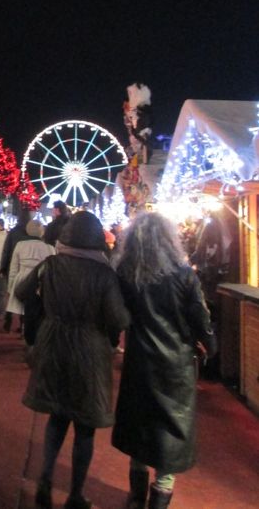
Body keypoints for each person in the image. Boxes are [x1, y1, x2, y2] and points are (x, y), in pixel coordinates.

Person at [23, 211, 130, 509]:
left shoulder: (52, 265)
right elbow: (118, 318)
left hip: (53, 343)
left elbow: (22, 291)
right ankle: (76, 493)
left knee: (57, 417)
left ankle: (45, 479)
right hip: (90, 352)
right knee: (84, 427)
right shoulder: (104, 273)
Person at [112, 212, 216, 509]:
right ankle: (160, 497)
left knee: (139, 426)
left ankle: (135, 497)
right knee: (170, 432)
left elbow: (118, 315)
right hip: (176, 366)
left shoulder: (127, 276)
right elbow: (200, 316)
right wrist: (209, 343)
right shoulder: (184, 275)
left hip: (139, 362)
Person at [7, 219, 55, 333]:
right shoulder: (49, 248)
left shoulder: (20, 245)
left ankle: (25, 331)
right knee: (38, 310)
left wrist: (10, 287)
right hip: (40, 282)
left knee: (24, 309)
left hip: (22, 279)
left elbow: (13, 269)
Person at [0, 210, 31, 331]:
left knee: (10, 293)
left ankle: (8, 320)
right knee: (24, 295)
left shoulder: (14, 232)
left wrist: (3, 266)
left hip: (12, 266)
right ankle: (22, 323)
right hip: (25, 267)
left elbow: (6, 250)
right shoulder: (29, 233)